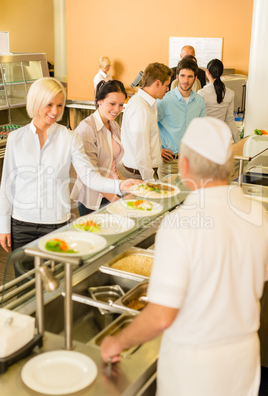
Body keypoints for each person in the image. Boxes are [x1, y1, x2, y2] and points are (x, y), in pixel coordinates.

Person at [100, 117, 268, 396]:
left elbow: (161, 317)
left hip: (195, 370)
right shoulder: (259, 216)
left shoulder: (180, 225)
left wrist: (117, 343)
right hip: (243, 362)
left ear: (185, 165)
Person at [0, 77, 139, 254]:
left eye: (59, 105)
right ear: (36, 102)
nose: (55, 111)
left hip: (56, 223)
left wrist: (120, 185)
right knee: (25, 281)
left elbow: (90, 176)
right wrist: (3, 225)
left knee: (54, 279)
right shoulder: (16, 138)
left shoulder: (70, 138)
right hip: (21, 224)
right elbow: (7, 186)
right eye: (49, 104)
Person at [71, 80, 126, 216]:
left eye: (121, 105)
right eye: (112, 104)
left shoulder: (113, 125)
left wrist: (128, 189)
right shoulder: (87, 129)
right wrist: (117, 201)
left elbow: (111, 166)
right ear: (99, 101)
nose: (117, 110)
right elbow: (92, 176)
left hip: (114, 192)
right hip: (96, 200)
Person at [118, 62, 173, 181]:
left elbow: (145, 140)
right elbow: (141, 152)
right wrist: (150, 182)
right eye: (167, 85)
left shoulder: (146, 103)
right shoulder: (141, 109)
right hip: (139, 174)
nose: (168, 89)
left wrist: (156, 150)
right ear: (157, 83)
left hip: (141, 171)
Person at [157, 57, 206, 179]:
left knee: (189, 197)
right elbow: (151, 128)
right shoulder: (164, 100)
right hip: (169, 163)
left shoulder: (200, 101)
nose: (186, 80)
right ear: (177, 77)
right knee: (166, 197)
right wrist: (158, 150)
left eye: (190, 76)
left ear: (195, 79)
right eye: (183, 76)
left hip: (191, 163)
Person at [198, 58, 240, 143]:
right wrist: (238, 141)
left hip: (205, 137)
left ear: (208, 72)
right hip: (221, 138)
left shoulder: (202, 93)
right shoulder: (230, 93)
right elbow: (230, 120)